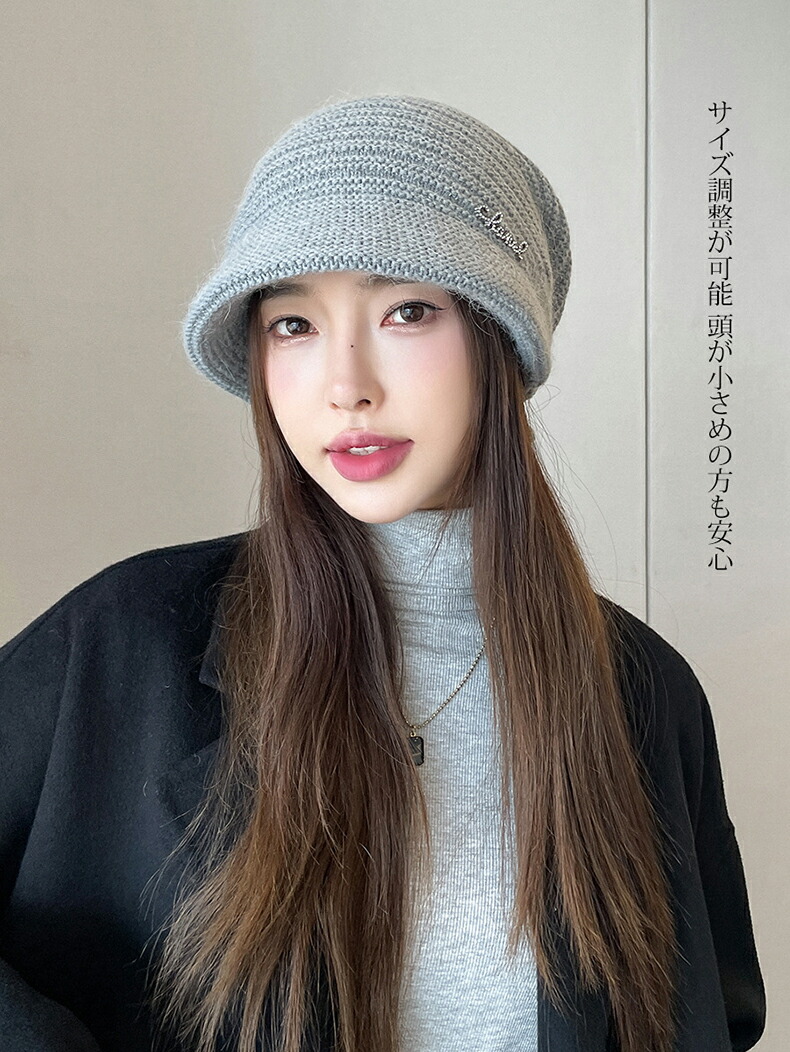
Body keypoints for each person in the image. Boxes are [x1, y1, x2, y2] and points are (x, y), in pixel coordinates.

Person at [0, 95, 765, 1052]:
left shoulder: (641, 691)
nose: (346, 385)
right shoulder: (123, 641)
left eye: (407, 311)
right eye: (293, 325)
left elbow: (713, 1016)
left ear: (499, 340)